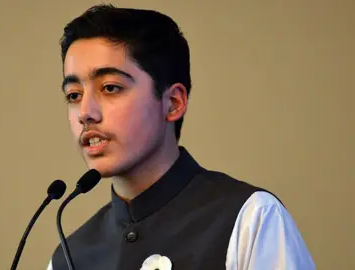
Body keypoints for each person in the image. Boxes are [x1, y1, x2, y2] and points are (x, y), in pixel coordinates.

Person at [47, 4, 315, 270]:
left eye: (110, 88)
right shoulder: (68, 257)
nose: (85, 113)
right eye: (73, 95)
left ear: (173, 103)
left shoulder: (250, 218)